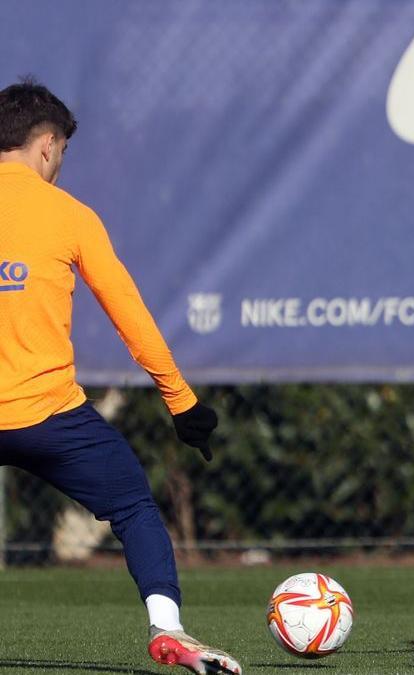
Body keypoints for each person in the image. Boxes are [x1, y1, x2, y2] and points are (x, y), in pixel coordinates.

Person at [0, 79, 240, 675]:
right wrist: (181, 403)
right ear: (48, 145)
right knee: (133, 506)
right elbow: (130, 317)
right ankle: (168, 631)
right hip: (50, 418)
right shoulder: (71, 216)